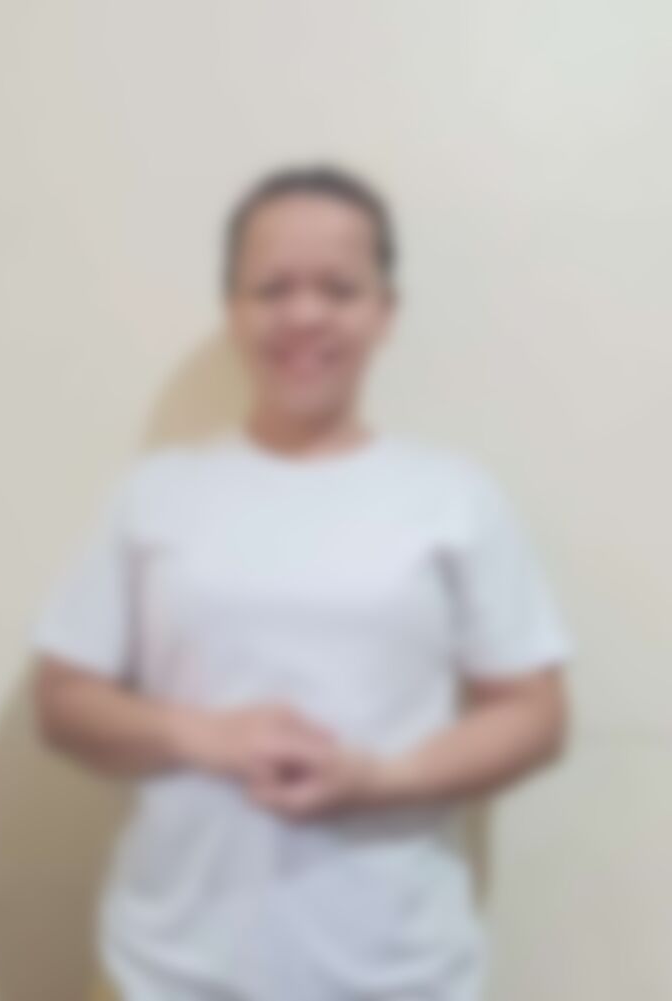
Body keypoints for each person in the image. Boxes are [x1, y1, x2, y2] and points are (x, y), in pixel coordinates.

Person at [29, 164, 575, 1001]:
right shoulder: (155, 493)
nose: (304, 314)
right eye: (271, 288)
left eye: (339, 288)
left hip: (399, 971)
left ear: (385, 311)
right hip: (168, 970)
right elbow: (63, 699)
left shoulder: (453, 496)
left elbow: (536, 713)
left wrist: (382, 779)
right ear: (232, 309)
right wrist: (201, 734)